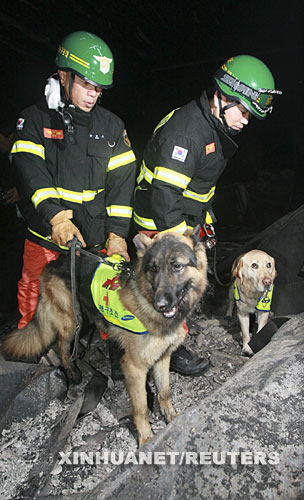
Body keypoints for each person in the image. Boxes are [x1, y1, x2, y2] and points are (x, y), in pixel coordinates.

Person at [132, 54, 282, 376]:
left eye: (250, 114)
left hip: (183, 223)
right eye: (242, 111)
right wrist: (185, 245)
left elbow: (199, 185)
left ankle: (170, 337)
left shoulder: (214, 127)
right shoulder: (185, 133)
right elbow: (164, 197)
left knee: (181, 289)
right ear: (220, 97)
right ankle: (165, 350)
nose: (245, 120)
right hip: (159, 227)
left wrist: (206, 218)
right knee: (165, 291)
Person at [10, 31, 137, 340]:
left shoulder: (111, 127)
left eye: (98, 88)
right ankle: (34, 345)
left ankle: (110, 347)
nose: (93, 95)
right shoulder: (33, 121)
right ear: (64, 77)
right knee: (33, 286)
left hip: (92, 238)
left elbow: (122, 185)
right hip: (46, 234)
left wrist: (118, 236)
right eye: (86, 85)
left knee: (106, 294)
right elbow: (31, 175)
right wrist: (57, 218)